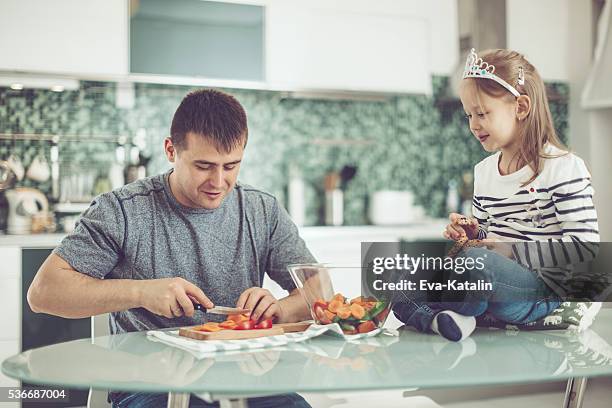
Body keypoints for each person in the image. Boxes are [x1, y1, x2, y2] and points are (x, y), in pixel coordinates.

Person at [27, 89, 316, 407]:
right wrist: (141, 293)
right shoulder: (122, 210)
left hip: (246, 380)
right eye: (204, 166)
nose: (218, 181)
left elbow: (319, 289)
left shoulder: (262, 209)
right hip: (149, 384)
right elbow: (43, 293)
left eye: (231, 166)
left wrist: (279, 310)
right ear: (170, 150)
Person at [393, 48, 599, 341]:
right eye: (469, 115)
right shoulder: (484, 171)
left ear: (521, 107)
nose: (473, 124)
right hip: (488, 279)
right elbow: (488, 237)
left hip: (539, 291)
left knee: (479, 267)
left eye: (482, 113)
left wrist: (512, 249)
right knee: (400, 274)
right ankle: (443, 320)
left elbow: (585, 247)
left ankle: (457, 310)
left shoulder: (563, 167)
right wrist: (473, 232)